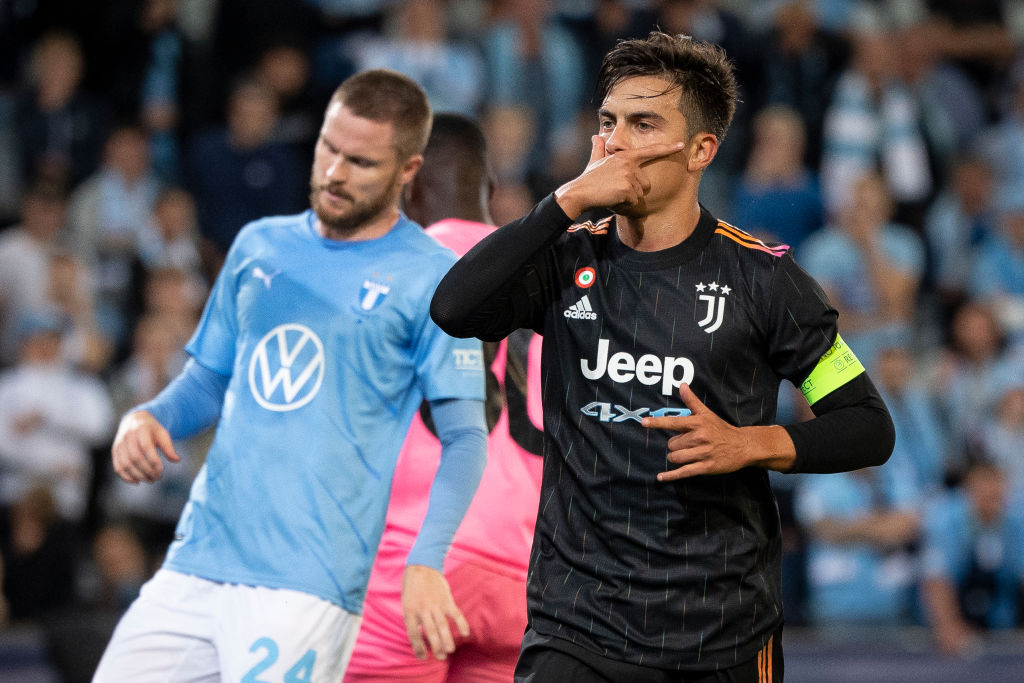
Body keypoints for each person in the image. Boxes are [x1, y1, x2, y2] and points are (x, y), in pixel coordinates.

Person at [430, 32, 895, 680]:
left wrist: (752, 443)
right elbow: (453, 308)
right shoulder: (565, 259)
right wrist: (564, 202)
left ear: (701, 149)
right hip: (577, 625)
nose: (617, 141)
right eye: (608, 122)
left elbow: (868, 424)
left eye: (643, 123)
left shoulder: (766, 281)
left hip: (720, 633)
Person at [92, 69, 489, 681]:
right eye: (329, 149)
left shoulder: (433, 277)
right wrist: (149, 416)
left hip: (309, 586)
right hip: (195, 562)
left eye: (360, 162)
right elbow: (207, 383)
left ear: (407, 172)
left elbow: (466, 437)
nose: (334, 173)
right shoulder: (257, 247)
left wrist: (426, 559)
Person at [345, 113, 544, 682]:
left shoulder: (389, 273)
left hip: (414, 566)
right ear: (490, 190)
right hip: (523, 579)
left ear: (406, 187)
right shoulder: (550, 278)